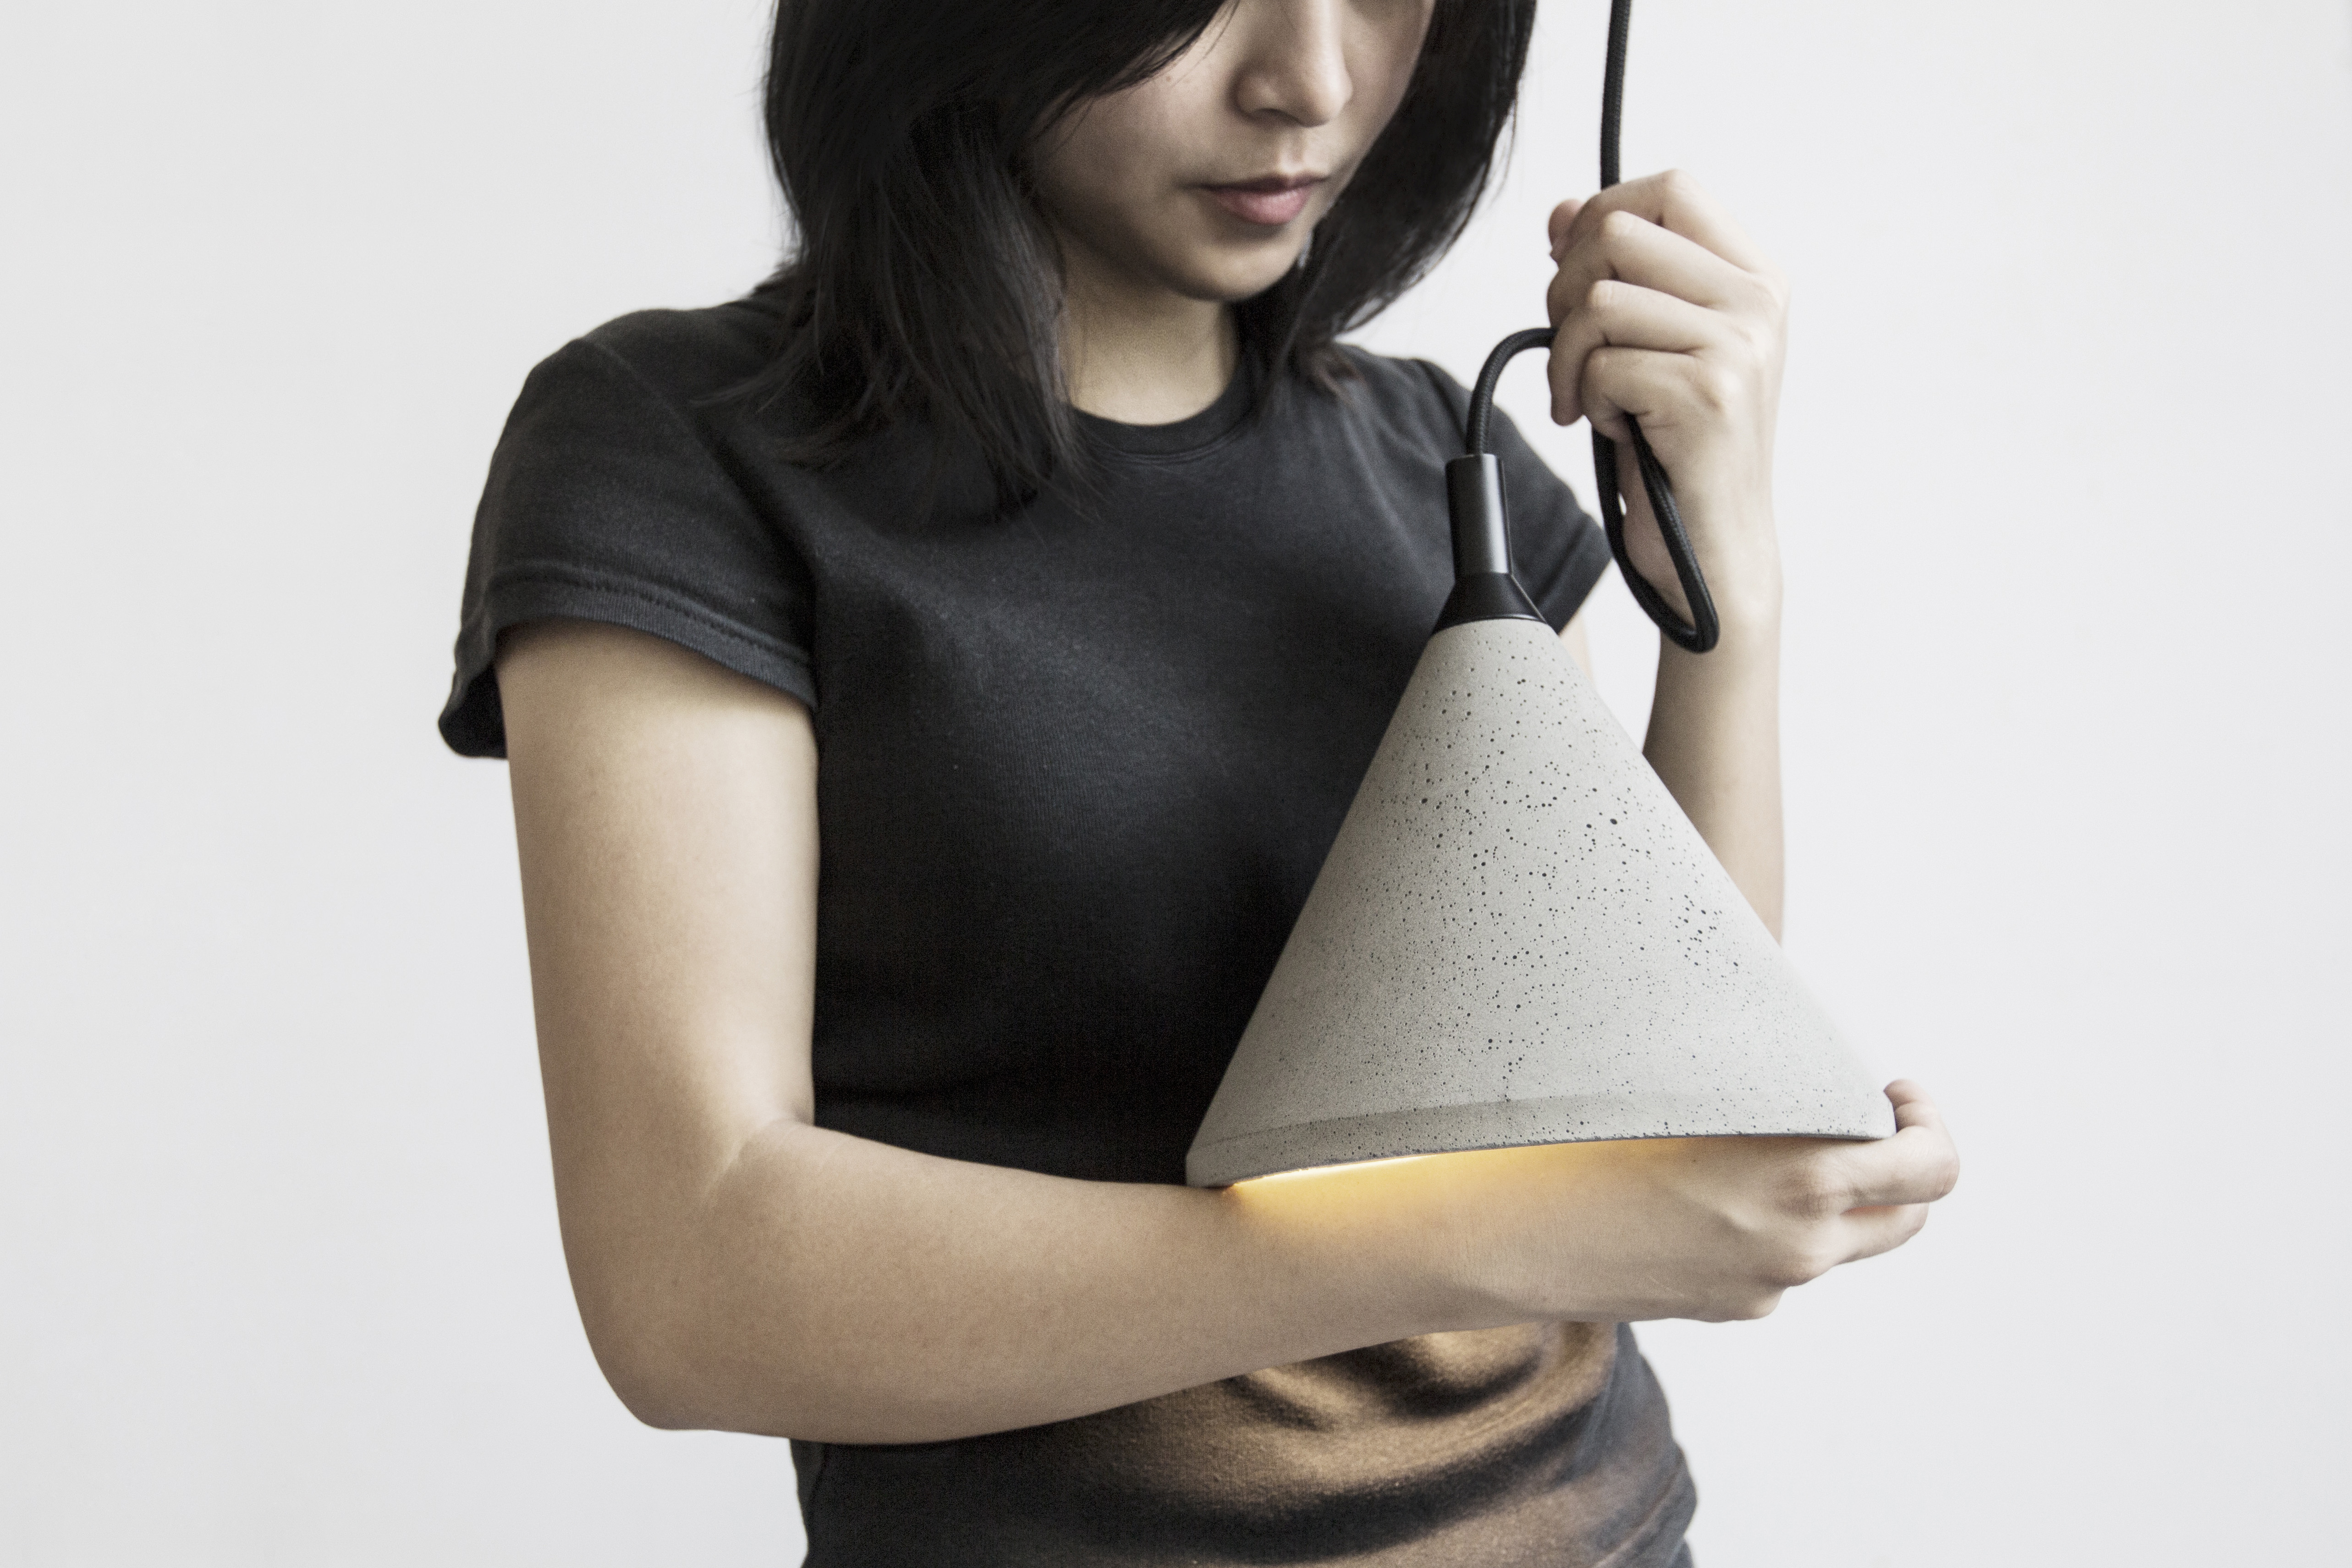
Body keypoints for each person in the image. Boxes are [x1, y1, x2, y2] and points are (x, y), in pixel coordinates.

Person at [439, 0, 1961, 1561]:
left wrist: (1727, 583)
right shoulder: (685, 452)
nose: (1309, 82)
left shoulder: (1432, 460)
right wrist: (1511, 1235)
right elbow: (693, 1286)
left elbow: (1672, 1070)